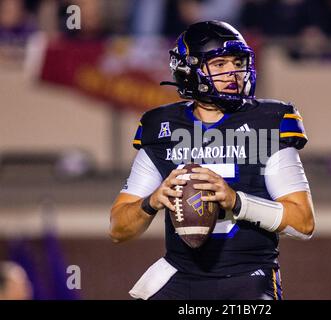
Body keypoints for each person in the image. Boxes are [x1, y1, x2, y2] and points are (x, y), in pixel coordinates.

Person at [110, 20, 316, 300]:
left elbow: (304, 223)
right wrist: (153, 201)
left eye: (237, 62)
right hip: (181, 276)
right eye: (219, 64)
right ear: (188, 70)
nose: (233, 72)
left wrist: (236, 201)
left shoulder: (268, 121)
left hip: (248, 277)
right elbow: (118, 229)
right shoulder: (161, 126)